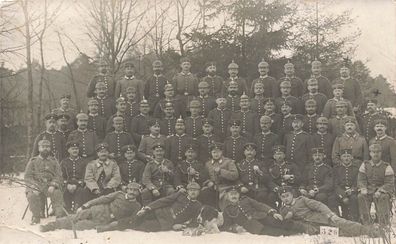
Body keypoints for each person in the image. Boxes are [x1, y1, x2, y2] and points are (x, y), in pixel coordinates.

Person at [278, 186, 379, 237]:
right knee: (340, 233)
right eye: (283, 197)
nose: (286, 198)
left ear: (292, 194)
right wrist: (288, 214)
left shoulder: (302, 199)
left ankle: (370, 231)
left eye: (287, 195)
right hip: (314, 227)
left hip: (323, 218)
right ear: (280, 198)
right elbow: (286, 221)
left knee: (344, 223)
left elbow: (319, 205)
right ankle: (362, 233)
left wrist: (330, 215)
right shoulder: (282, 209)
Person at [39, 182, 142, 232]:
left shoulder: (137, 206)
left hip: (104, 220)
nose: (132, 192)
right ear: (127, 190)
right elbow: (102, 199)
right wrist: (86, 205)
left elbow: (130, 220)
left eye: (135, 190)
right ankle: (50, 226)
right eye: (130, 189)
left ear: (138, 193)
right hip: (97, 210)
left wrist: (108, 227)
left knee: (81, 225)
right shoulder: (119, 194)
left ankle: (62, 226)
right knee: (75, 217)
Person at [222, 186, 302, 236]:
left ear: (239, 194)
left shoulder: (245, 199)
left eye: (235, 193)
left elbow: (259, 205)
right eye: (231, 194)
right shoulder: (227, 210)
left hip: (262, 216)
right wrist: (235, 229)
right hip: (252, 226)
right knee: (275, 232)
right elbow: (226, 225)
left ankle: (304, 228)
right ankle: (294, 233)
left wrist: (272, 212)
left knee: (279, 222)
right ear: (227, 196)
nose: (234, 196)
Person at [25, 139, 64, 224]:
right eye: (43, 147)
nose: (45, 149)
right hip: (36, 186)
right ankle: (36, 216)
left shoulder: (54, 161)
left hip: (49, 186)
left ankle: (59, 216)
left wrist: (53, 185)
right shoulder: (33, 161)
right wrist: (34, 186)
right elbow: (28, 177)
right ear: (39, 148)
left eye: (47, 147)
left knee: (57, 193)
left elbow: (58, 175)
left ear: (50, 148)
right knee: (31, 195)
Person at [357, 143, 394, 225]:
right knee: (361, 196)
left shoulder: (387, 166)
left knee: (384, 197)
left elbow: (389, 183)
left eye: (378, 152)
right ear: (370, 153)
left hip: (381, 191)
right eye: (373, 152)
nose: (375, 154)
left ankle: (383, 222)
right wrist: (363, 188)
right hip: (368, 190)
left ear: (381, 153)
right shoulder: (365, 164)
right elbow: (361, 179)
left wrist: (380, 191)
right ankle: (366, 222)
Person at [200, 142, 239, 210]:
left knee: (226, 198)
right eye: (214, 152)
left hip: (227, 187)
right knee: (205, 193)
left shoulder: (228, 162)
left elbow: (235, 175)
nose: (216, 154)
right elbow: (205, 177)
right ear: (211, 153)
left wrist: (221, 171)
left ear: (222, 152)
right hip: (213, 187)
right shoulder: (208, 164)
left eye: (218, 152)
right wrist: (209, 182)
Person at [330, 149, 360, 221]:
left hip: (352, 192)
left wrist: (352, 190)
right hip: (340, 192)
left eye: (348, 156)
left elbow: (358, 183)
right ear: (341, 158)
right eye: (344, 156)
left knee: (354, 198)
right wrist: (343, 196)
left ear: (352, 157)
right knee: (331, 198)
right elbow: (335, 185)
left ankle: (354, 219)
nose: (346, 158)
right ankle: (336, 219)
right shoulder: (336, 169)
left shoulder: (357, 169)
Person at [60, 141, 88, 213]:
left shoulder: (83, 162)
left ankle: (77, 208)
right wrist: (67, 184)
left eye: (76, 149)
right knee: (64, 191)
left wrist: (77, 184)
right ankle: (67, 210)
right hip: (67, 184)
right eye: (73, 149)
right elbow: (60, 176)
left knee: (80, 191)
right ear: (68, 150)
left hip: (79, 185)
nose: (75, 150)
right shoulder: (64, 162)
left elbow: (85, 176)